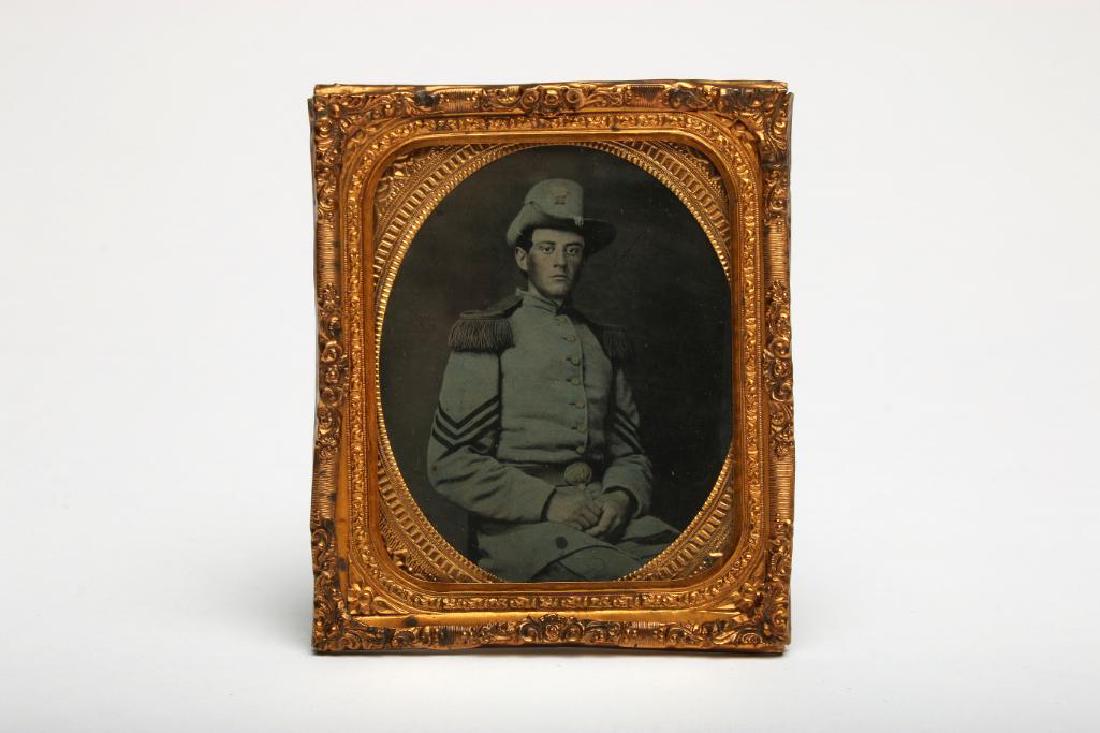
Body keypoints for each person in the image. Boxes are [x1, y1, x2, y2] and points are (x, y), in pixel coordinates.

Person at [426, 178, 677, 582]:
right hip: (525, 533)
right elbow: (451, 462)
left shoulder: (600, 341)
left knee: (695, 568)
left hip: (602, 519)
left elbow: (629, 455)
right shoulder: (490, 334)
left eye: (572, 250)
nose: (561, 261)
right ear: (523, 258)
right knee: (635, 586)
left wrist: (620, 497)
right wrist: (548, 502)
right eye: (547, 248)